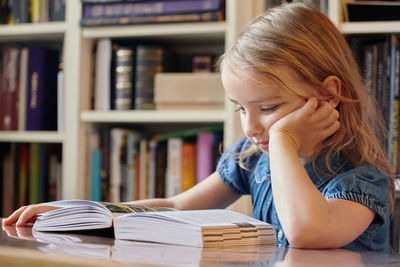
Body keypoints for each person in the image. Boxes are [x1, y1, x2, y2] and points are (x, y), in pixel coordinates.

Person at [2, 3, 395, 251]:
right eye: (241, 108)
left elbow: (308, 232)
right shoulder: (250, 161)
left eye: (269, 107)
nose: (253, 126)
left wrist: (283, 140)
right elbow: (176, 206)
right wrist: (80, 213)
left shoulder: (362, 181)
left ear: (328, 95)